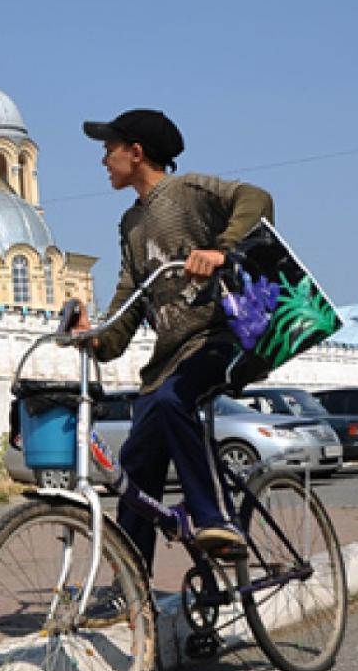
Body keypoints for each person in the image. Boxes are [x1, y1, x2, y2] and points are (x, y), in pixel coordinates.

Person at [70, 108, 273, 565]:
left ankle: (217, 518)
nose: (104, 160)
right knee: (137, 468)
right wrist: (97, 337)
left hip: (222, 340)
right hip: (169, 359)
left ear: (136, 153)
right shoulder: (131, 225)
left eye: (109, 150)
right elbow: (131, 292)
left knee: (171, 401)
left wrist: (221, 251)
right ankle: (130, 586)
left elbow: (256, 198)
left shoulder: (189, 192)